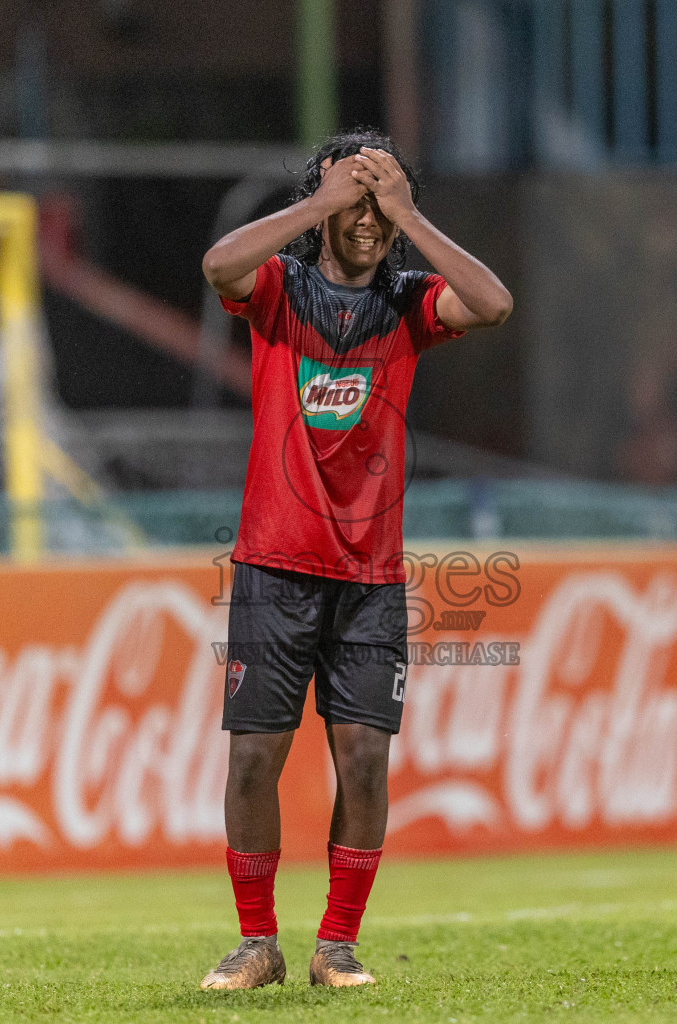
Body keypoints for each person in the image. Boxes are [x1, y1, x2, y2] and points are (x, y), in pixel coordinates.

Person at [196, 129, 512, 990]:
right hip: (273, 565)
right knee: (254, 761)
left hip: (370, 580)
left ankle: (337, 943)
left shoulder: (411, 303)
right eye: (356, 203)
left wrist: (411, 211)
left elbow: (492, 303)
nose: (368, 220)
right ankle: (257, 942)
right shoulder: (279, 291)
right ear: (326, 206)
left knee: (364, 759)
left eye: (383, 205)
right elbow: (219, 264)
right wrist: (322, 198)